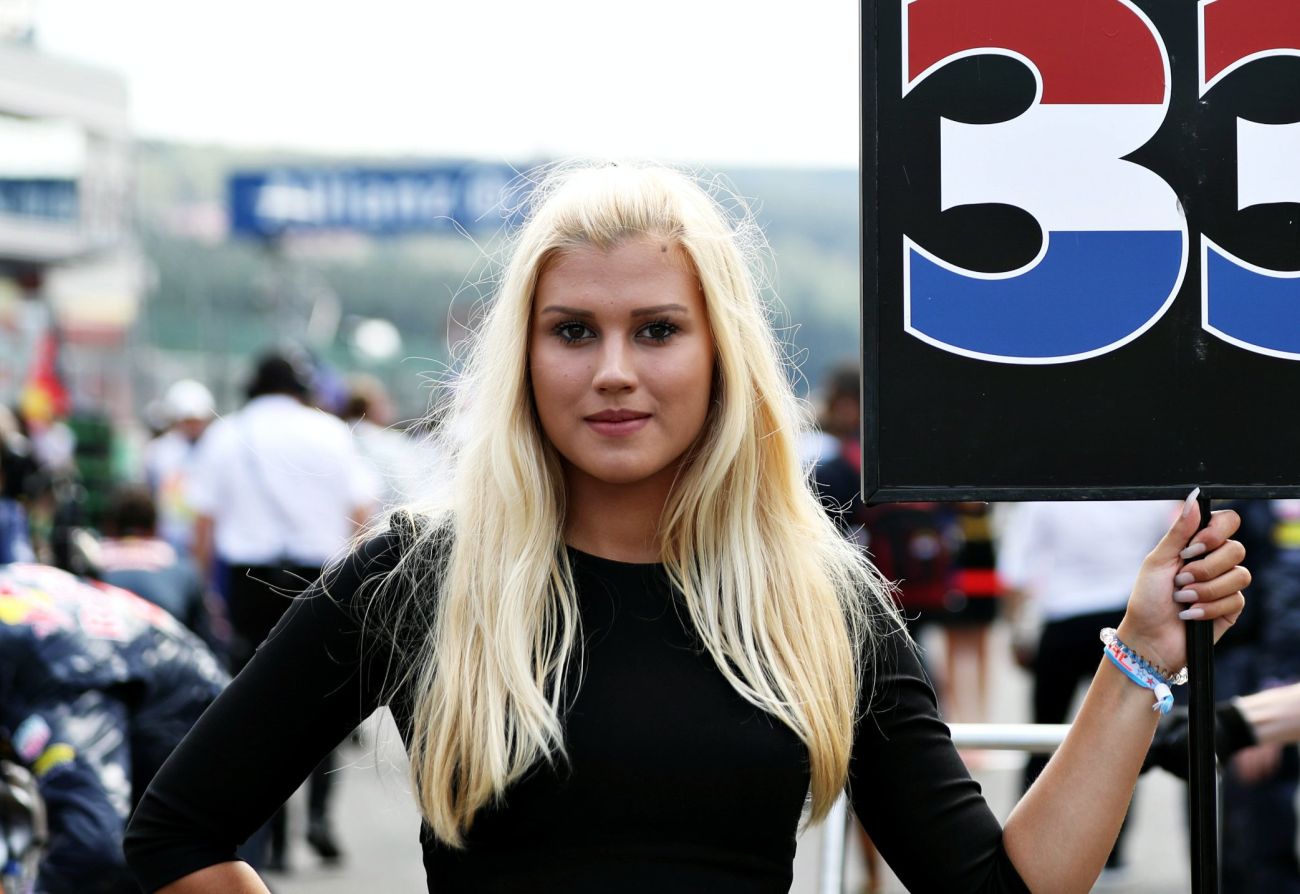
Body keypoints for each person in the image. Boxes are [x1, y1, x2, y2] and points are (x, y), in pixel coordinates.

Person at [124, 163, 1250, 894]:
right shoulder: (424, 576)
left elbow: (994, 892)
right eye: (573, 330)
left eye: (656, 329)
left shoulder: (817, 597)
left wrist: (1142, 652)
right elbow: (175, 833)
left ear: (721, 355)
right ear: (523, 353)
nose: (613, 371)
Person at [184, 350, 378, 870]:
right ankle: (318, 816)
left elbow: (202, 525)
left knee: (253, 705)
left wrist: (209, 592)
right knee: (323, 701)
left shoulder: (227, 434)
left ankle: (266, 837)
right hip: (321, 578)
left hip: (249, 583)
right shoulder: (331, 432)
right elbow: (363, 513)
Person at [0, 562, 227, 893]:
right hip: (172, 690)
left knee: (134, 858)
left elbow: (91, 847)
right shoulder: (14, 584)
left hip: (203, 742)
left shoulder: (52, 671)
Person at [997, 499, 1178, 876]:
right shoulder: (1148, 491)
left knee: (1042, 734)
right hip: (1128, 616)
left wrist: (1016, 632)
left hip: (1065, 619)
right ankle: (1111, 851)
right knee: (1126, 738)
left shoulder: (1046, 493)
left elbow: (1015, 568)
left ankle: (1021, 847)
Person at [95, 484, 216, 649]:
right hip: (169, 655)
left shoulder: (91, 562)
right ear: (155, 528)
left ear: (110, 527)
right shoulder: (181, 566)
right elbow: (203, 638)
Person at [143, 379, 216, 560]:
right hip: (170, 537)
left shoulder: (215, 448)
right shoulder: (159, 452)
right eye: (188, 421)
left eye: (198, 421)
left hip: (206, 538)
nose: (194, 426)